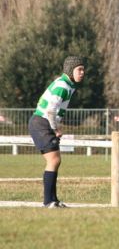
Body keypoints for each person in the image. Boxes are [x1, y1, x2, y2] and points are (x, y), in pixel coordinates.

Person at [28, 56, 85, 208]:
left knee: (55, 160)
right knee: (53, 160)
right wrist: (56, 129)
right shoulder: (62, 86)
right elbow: (50, 111)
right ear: (70, 71)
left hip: (43, 122)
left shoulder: (67, 84)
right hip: (41, 122)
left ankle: (53, 200)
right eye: (79, 69)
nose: (82, 72)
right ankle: (48, 202)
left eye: (83, 69)